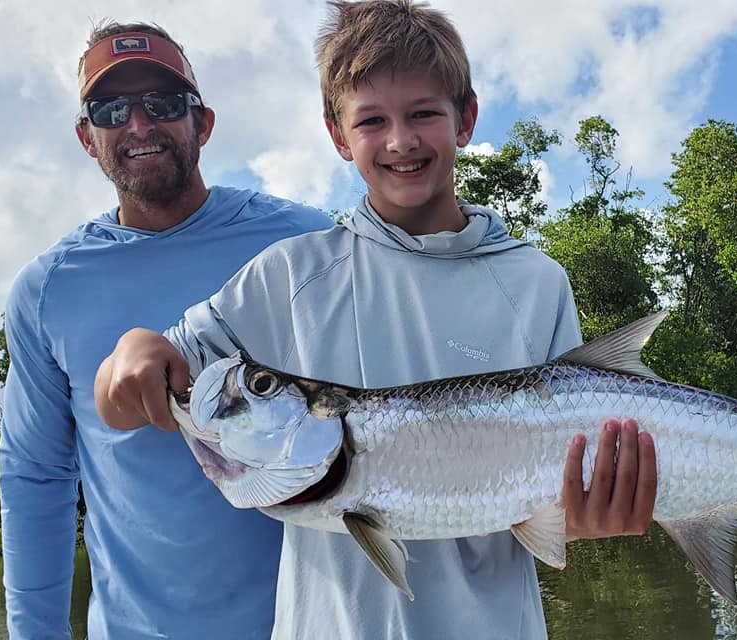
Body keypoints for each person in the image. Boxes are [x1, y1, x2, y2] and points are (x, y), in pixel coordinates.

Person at [95, 2, 659, 638]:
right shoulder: (286, 277)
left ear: (466, 117)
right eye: (371, 121)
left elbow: (557, 510)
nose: (401, 141)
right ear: (338, 135)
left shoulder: (537, 282)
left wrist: (587, 510)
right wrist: (133, 350)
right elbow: (121, 399)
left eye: (423, 113)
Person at [0, 22, 333, 640]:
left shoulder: (306, 243)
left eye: (163, 103)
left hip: (311, 624)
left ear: (201, 123)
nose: (139, 124)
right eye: (110, 108)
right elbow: (35, 477)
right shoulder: (47, 289)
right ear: (86, 137)